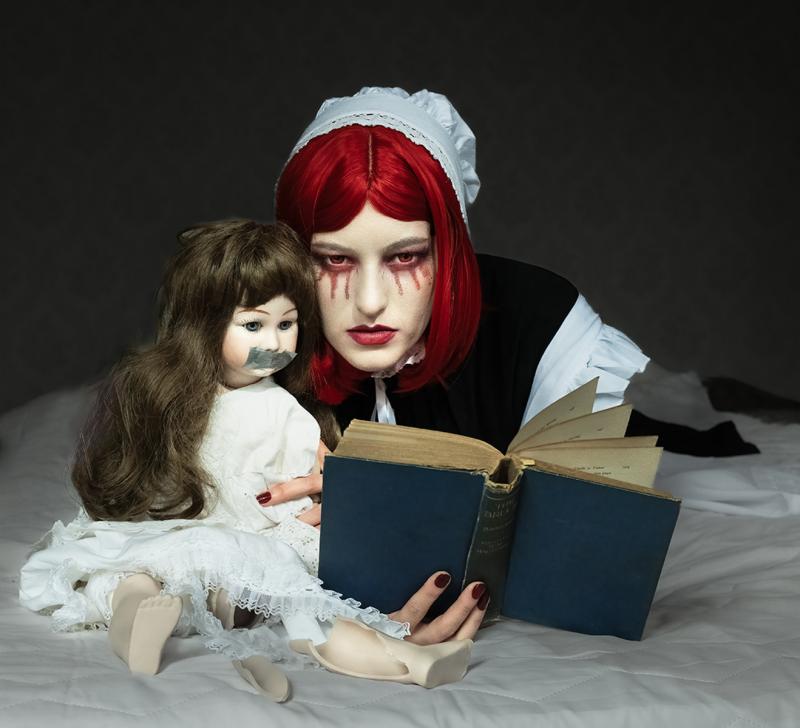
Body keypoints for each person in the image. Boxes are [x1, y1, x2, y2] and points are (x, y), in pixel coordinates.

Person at [18, 219, 473, 700]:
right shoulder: (166, 395)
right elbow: (140, 477)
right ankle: (136, 619)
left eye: (287, 324)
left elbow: (307, 486)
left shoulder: (286, 412)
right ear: (206, 323)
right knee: (135, 574)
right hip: (173, 530)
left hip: (250, 540)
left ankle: (406, 659)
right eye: (254, 325)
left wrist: (319, 505)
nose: (274, 343)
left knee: (296, 601)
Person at [264, 87, 650, 641]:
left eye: (405, 256)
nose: (370, 302)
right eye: (334, 260)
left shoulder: (540, 320)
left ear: (449, 251)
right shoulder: (258, 338)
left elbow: (581, 545)